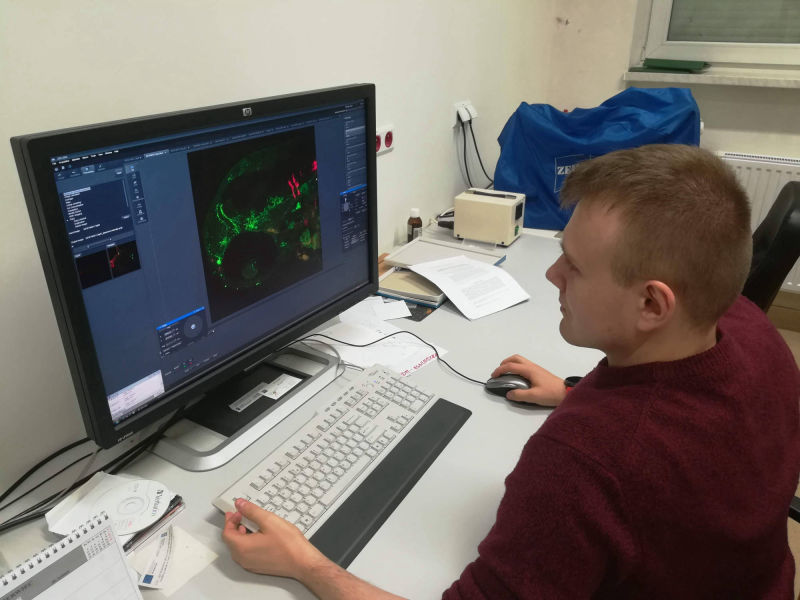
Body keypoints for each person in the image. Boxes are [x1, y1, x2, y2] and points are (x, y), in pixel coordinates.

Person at [222, 144, 800, 599]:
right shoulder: (750, 327)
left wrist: (307, 564)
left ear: (652, 304)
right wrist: (572, 392)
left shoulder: (584, 460)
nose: (552, 275)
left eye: (574, 265)